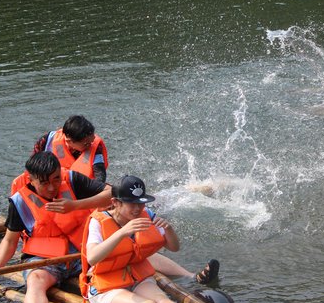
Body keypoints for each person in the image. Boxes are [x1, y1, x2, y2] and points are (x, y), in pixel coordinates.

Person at [13, 115, 219, 286]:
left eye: (90, 140)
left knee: (132, 246)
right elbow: (35, 170)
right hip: (53, 237)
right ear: (67, 139)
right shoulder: (42, 152)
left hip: (80, 206)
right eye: (84, 143)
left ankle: (191, 275)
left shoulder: (82, 167)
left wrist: (82, 198)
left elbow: (99, 178)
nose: (89, 144)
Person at [0, 151, 113, 303]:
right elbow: (10, 240)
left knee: (116, 265)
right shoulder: (20, 202)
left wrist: (76, 205)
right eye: (44, 183)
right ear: (31, 179)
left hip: (83, 254)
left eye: (56, 179)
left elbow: (113, 193)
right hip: (46, 260)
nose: (52, 187)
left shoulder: (72, 179)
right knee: (35, 281)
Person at [80, 175, 224, 303]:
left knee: (164, 302)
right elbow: (92, 257)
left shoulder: (146, 214)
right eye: (132, 203)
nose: (137, 208)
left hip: (136, 276)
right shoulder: (98, 222)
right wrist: (122, 232)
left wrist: (169, 230)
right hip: (106, 287)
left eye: (141, 203)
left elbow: (174, 248)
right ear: (116, 202)